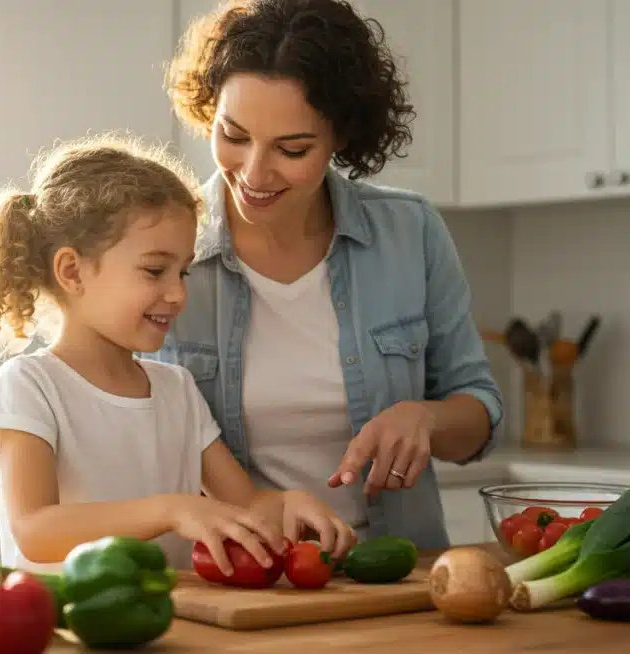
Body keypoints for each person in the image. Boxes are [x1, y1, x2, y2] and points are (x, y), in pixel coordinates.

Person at [152, 0, 506, 550]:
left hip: (392, 574)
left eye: (292, 149)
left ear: (341, 135)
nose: (254, 172)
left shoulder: (409, 232)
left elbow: (477, 413)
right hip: (232, 580)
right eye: (234, 135)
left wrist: (425, 419)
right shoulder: (163, 250)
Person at [0, 133, 357, 576]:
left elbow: (243, 503)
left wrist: (286, 504)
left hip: (167, 625)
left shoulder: (177, 388)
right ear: (72, 271)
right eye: (154, 270)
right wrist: (170, 510)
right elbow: (35, 529)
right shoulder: (30, 387)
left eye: (183, 271)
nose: (178, 293)